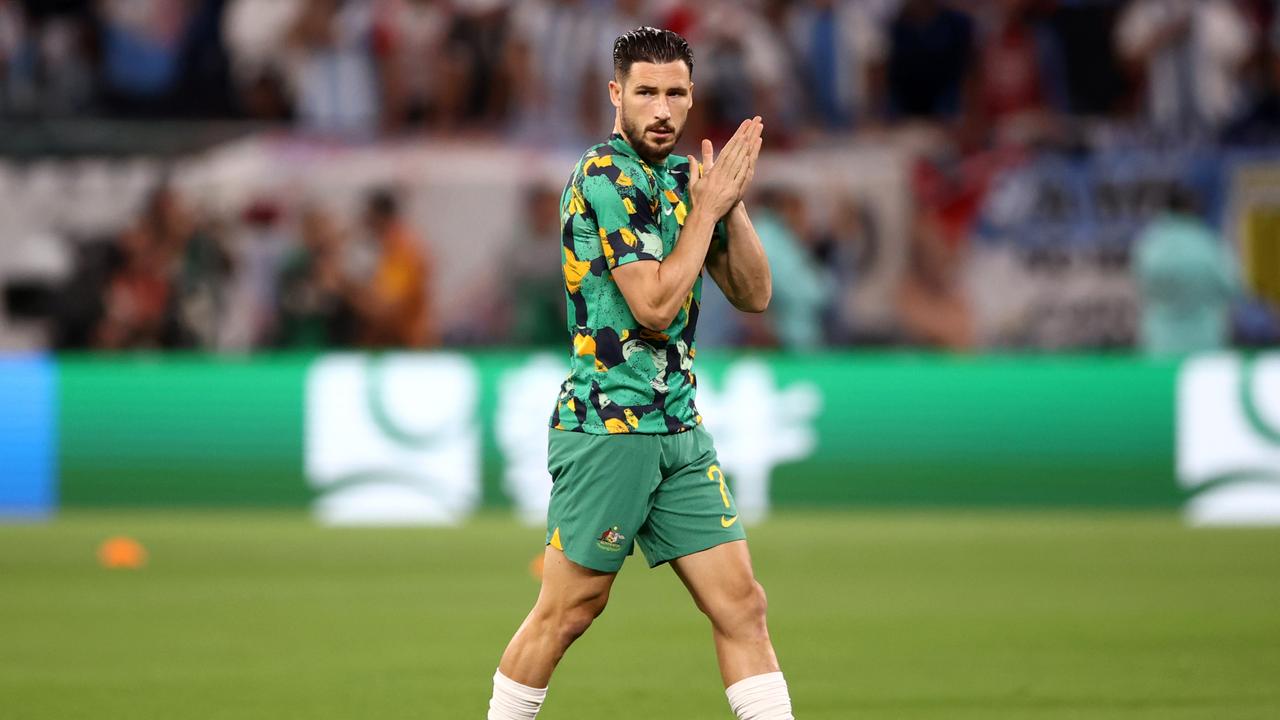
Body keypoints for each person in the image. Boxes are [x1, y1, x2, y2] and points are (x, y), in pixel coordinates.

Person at [487, 27, 793, 720]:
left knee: (742, 605)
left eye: (676, 93)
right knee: (568, 610)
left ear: (692, 98)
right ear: (616, 94)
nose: (662, 109)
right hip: (609, 423)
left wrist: (730, 204)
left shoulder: (682, 182)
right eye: (647, 92)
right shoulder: (604, 175)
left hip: (678, 426)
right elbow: (654, 306)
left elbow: (754, 294)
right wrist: (706, 212)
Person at [1133, 187, 1239, 355]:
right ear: (1192, 209)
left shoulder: (1150, 245)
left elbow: (1141, 285)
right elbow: (1231, 285)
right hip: (1205, 338)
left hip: (1161, 340)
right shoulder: (1208, 244)